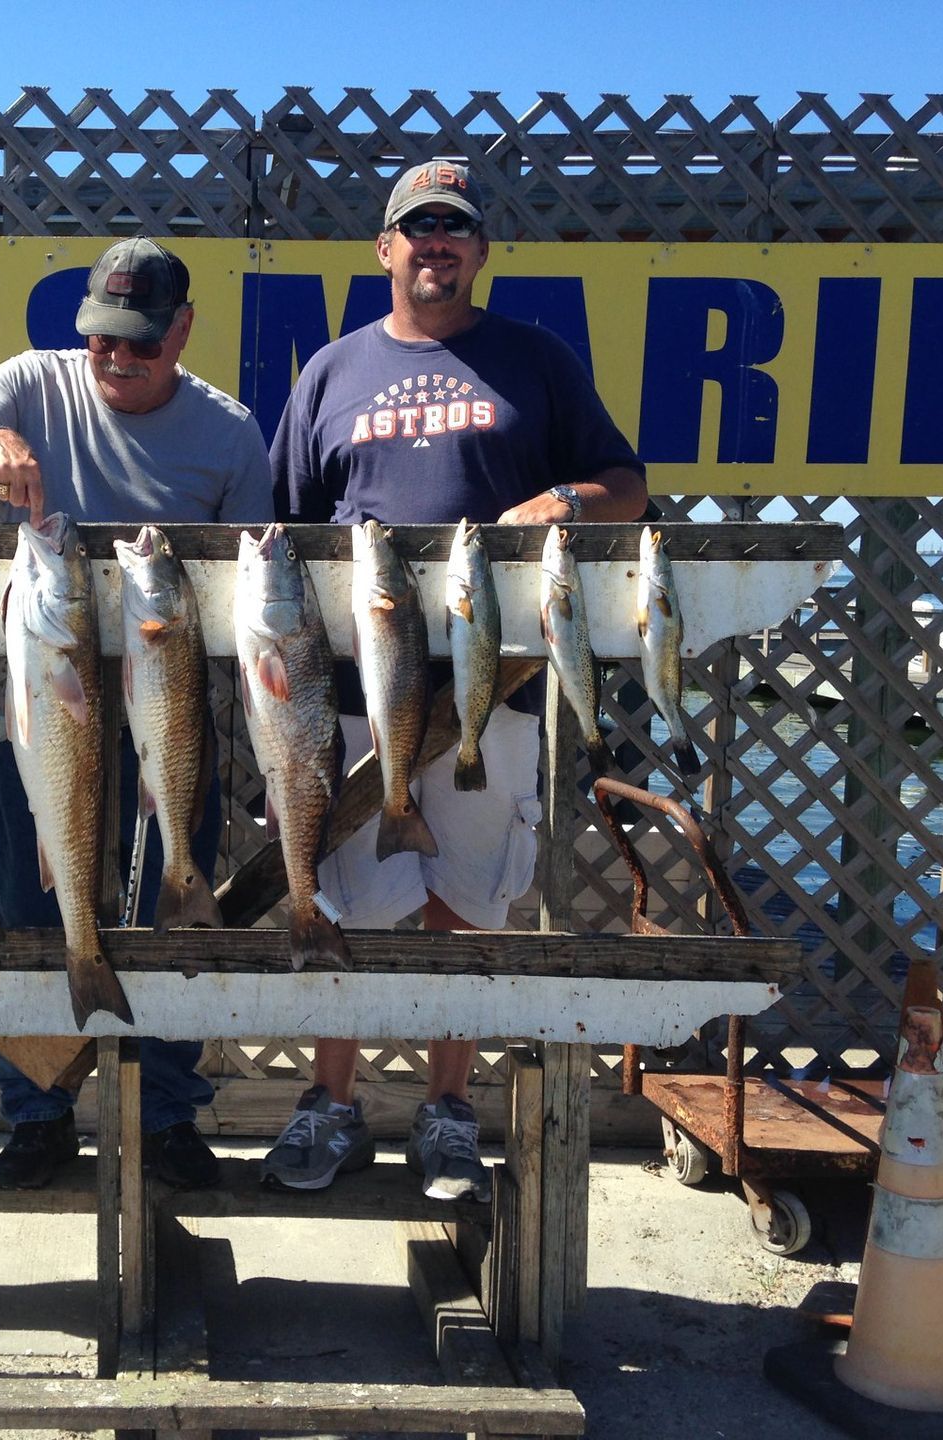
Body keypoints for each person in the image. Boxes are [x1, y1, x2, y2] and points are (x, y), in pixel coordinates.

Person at [264, 160, 648, 1199]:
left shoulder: (539, 360)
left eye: (456, 229)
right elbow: (286, 527)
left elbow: (628, 488)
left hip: (499, 683)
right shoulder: (330, 373)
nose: (435, 243)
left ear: (479, 253)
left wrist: (560, 499)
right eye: (415, 227)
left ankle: (448, 1111)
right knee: (344, 903)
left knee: (467, 905)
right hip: (352, 693)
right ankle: (331, 1104)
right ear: (384, 249)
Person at [0, 237, 273, 1190]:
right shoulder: (29, 382)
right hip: (41, 717)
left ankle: (163, 1117)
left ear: (183, 333)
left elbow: (254, 596)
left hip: (171, 715)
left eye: (141, 345)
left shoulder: (231, 437)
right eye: (103, 339)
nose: (117, 359)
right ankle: (37, 1108)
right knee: (33, 900)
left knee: (172, 906)